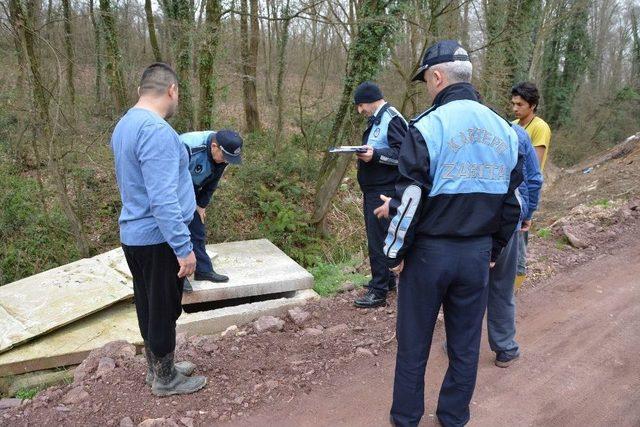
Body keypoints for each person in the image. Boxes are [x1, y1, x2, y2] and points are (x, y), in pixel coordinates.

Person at [374, 40, 523, 426]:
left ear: (438, 76)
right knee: (465, 344)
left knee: (413, 345)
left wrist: (394, 254)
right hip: (476, 255)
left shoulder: (427, 127)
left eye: (426, 79)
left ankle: (407, 417)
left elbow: (409, 200)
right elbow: (513, 203)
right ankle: (453, 416)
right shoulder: (506, 131)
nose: (426, 85)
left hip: (429, 254)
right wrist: (493, 247)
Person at [110, 63, 207, 396]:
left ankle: (157, 369)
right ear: (172, 90)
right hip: (158, 236)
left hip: (133, 235)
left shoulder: (124, 125)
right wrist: (184, 247)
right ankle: (166, 380)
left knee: (148, 304)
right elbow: (163, 199)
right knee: (164, 308)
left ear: (141, 90)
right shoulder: (157, 131)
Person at [486, 124, 542, 368]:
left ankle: (456, 342)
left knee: (466, 289)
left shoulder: (457, 129)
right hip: (508, 221)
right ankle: (505, 348)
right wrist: (527, 213)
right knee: (501, 287)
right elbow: (533, 178)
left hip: (468, 224)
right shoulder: (516, 133)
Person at [352, 81, 408, 309]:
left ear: (369, 100)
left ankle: (378, 291)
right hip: (374, 187)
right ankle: (387, 280)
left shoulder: (391, 119)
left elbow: (403, 155)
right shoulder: (378, 118)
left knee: (378, 239)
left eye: (361, 105)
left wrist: (374, 155)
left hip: (384, 190)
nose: (360, 110)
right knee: (382, 237)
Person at [179, 129, 244, 290]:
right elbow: (169, 179)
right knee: (177, 230)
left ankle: (203, 270)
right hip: (174, 185)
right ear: (214, 146)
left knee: (197, 228)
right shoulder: (188, 147)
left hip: (193, 186)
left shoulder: (223, 154)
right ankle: (178, 276)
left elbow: (212, 182)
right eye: (225, 157)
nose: (226, 161)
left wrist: (201, 205)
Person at [511, 82, 552, 288]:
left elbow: (533, 166)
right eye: (513, 104)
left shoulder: (539, 127)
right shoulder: (513, 125)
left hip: (526, 192)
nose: (515, 108)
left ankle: (514, 287)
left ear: (532, 105)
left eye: (520, 104)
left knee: (519, 242)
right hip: (511, 191)